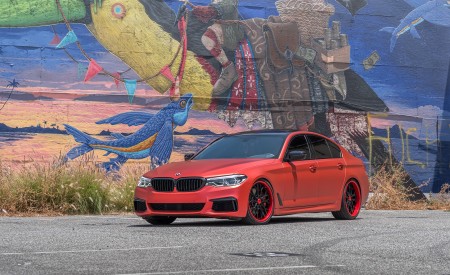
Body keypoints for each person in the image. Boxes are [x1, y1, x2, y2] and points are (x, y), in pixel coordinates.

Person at [190, 0, 244, 96]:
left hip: (229, 30)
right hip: (220, 26)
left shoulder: (229, 2)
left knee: (207, 38)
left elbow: (215, 10)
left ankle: (229, 69)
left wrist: (201, 10)